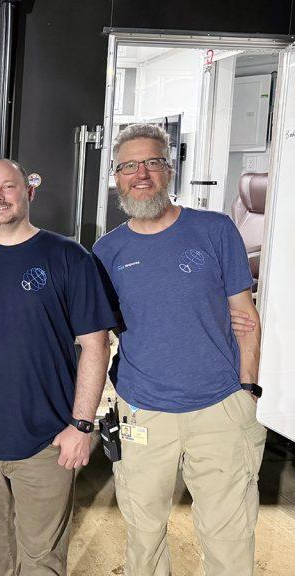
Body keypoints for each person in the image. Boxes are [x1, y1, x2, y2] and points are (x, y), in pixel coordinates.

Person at [92, 123, 266, 576]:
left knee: (229, 539)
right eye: (129, 166)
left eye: (152, 162)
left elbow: (246, 319)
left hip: (221, 410)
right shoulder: (107, 251)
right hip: (143, 413)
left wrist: (247, 390)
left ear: (169, 170)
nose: (141, 174)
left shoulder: (215, 230)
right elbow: (99, 335)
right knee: (143, 538)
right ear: (116, 176)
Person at [0, 158, 115, 575]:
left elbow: (95, 345)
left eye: (8, 187)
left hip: (48, 443)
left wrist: (82, 425)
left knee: (42, 560)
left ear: (29, 192)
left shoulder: (68, 257)